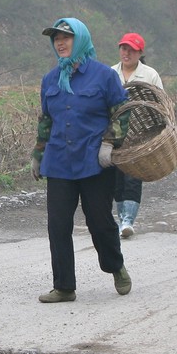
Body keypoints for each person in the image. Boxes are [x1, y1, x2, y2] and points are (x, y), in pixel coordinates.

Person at [32, 18, 132, 303]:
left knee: (100, 222)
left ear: (81, 39)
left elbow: (122, 112)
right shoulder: (51, 79)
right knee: (58, 225)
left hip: (94, 163)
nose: (60, 43)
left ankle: (115, 266)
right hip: (59, 163)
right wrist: (38, 154)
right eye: (56, 39)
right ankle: (64, 286)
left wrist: (110, 144)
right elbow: (46, 120)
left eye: (66, 37)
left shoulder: (104, 76)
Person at [110, 32, 164, 238]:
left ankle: (128, 220)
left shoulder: (150, 75)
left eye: (131, 50)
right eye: (124, 48)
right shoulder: (110, 73)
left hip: (139, 134)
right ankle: (119, 217)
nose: (126, 53)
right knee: (115, 177)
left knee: (132, 176)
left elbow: (160, 102)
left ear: (140, 52)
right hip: (113, 133)